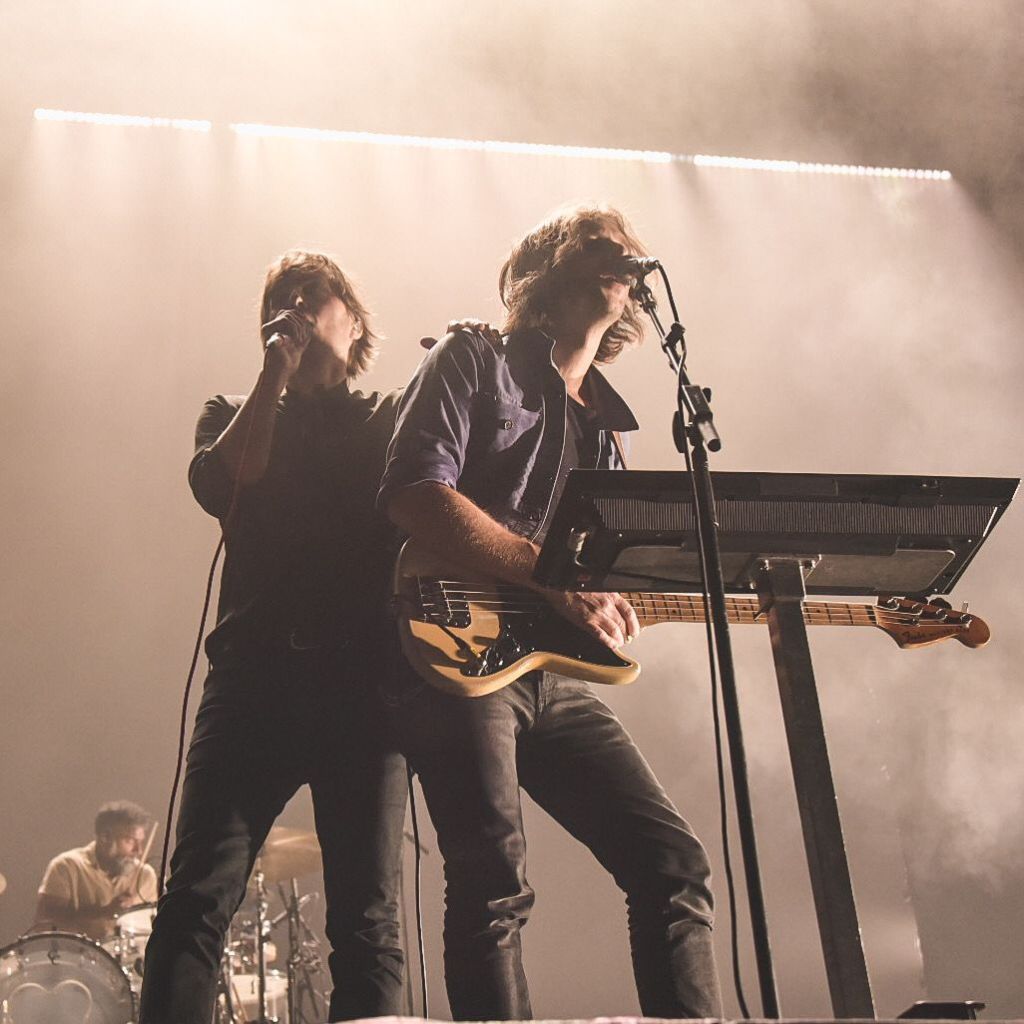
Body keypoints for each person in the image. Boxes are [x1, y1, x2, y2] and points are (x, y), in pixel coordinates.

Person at [378, 204, 723, 1020]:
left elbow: (596, 575)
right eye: (604, 246)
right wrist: (554, 581)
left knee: (672, 862)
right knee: (494, 877)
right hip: (452, 643)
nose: (627, 260)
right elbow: (415, 495)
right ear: (550, 269)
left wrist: (609, 599)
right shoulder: (472, 359)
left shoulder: (607, 429)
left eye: (633, 254)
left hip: (546, 671)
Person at [138, 251, 408, 1024]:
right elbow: (228, 483)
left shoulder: (388, 416)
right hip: (252, 688)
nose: (289, 305)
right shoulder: (232, 408)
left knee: (366, 922)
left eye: (309, 294)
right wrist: (273, 378)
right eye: (277, 297)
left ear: (351, 320)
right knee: (194, 903)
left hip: (361, 690)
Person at [34, 800, 158, 942]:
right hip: (74, 958)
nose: (139, 851)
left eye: (141, 842)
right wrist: (104, 912)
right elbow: (44, 924)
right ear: (105, 837)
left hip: (126, 961)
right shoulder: (65, 866)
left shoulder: (145, 875)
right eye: (130, 841)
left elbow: (150, 931)